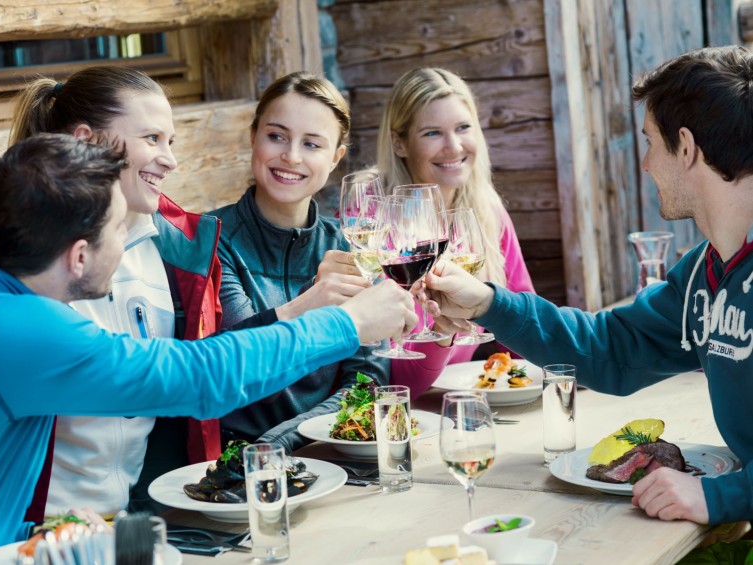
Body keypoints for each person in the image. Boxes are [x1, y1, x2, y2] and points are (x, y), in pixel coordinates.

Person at [0, 133, 417, 562]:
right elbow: (198, 377)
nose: (128, 238)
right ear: (80, 255)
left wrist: (46, 534)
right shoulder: (14, 327)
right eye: (118, 228)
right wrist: (348, 323)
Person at [423, 45, 753, 526]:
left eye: (649, 143)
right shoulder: (706, 271)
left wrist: (724, 497)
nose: (645, 165)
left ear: (686, 148)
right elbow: (613, 347)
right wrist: (490, 305)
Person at [0, 66, 229, 520]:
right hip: (25, 533)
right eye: (151, 139)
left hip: (133, 522)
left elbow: (184, 404)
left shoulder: (182, 248)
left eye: (170, 141)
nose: (170, 159)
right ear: (89, 141)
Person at [210, 71, 387, 452]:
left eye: (312, 144)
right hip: (233, 465)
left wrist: (284, 445)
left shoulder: (349, 247)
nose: (291, 156)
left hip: (328, 455)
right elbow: (235, 368)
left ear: (336, 157)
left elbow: (366, 381)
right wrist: (313, 300)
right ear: (253, 136)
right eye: (277, 136)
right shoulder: (210, 240)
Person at [375, 67, 535, 397]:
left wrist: (559, 373)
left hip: (461, 408)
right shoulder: (371, 225)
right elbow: (391, 381)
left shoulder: (486, 211)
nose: (453, 146)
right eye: (432, 133)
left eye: (463, 127)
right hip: (398, 417)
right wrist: (440, 334)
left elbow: (524, 320)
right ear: (399, 143)